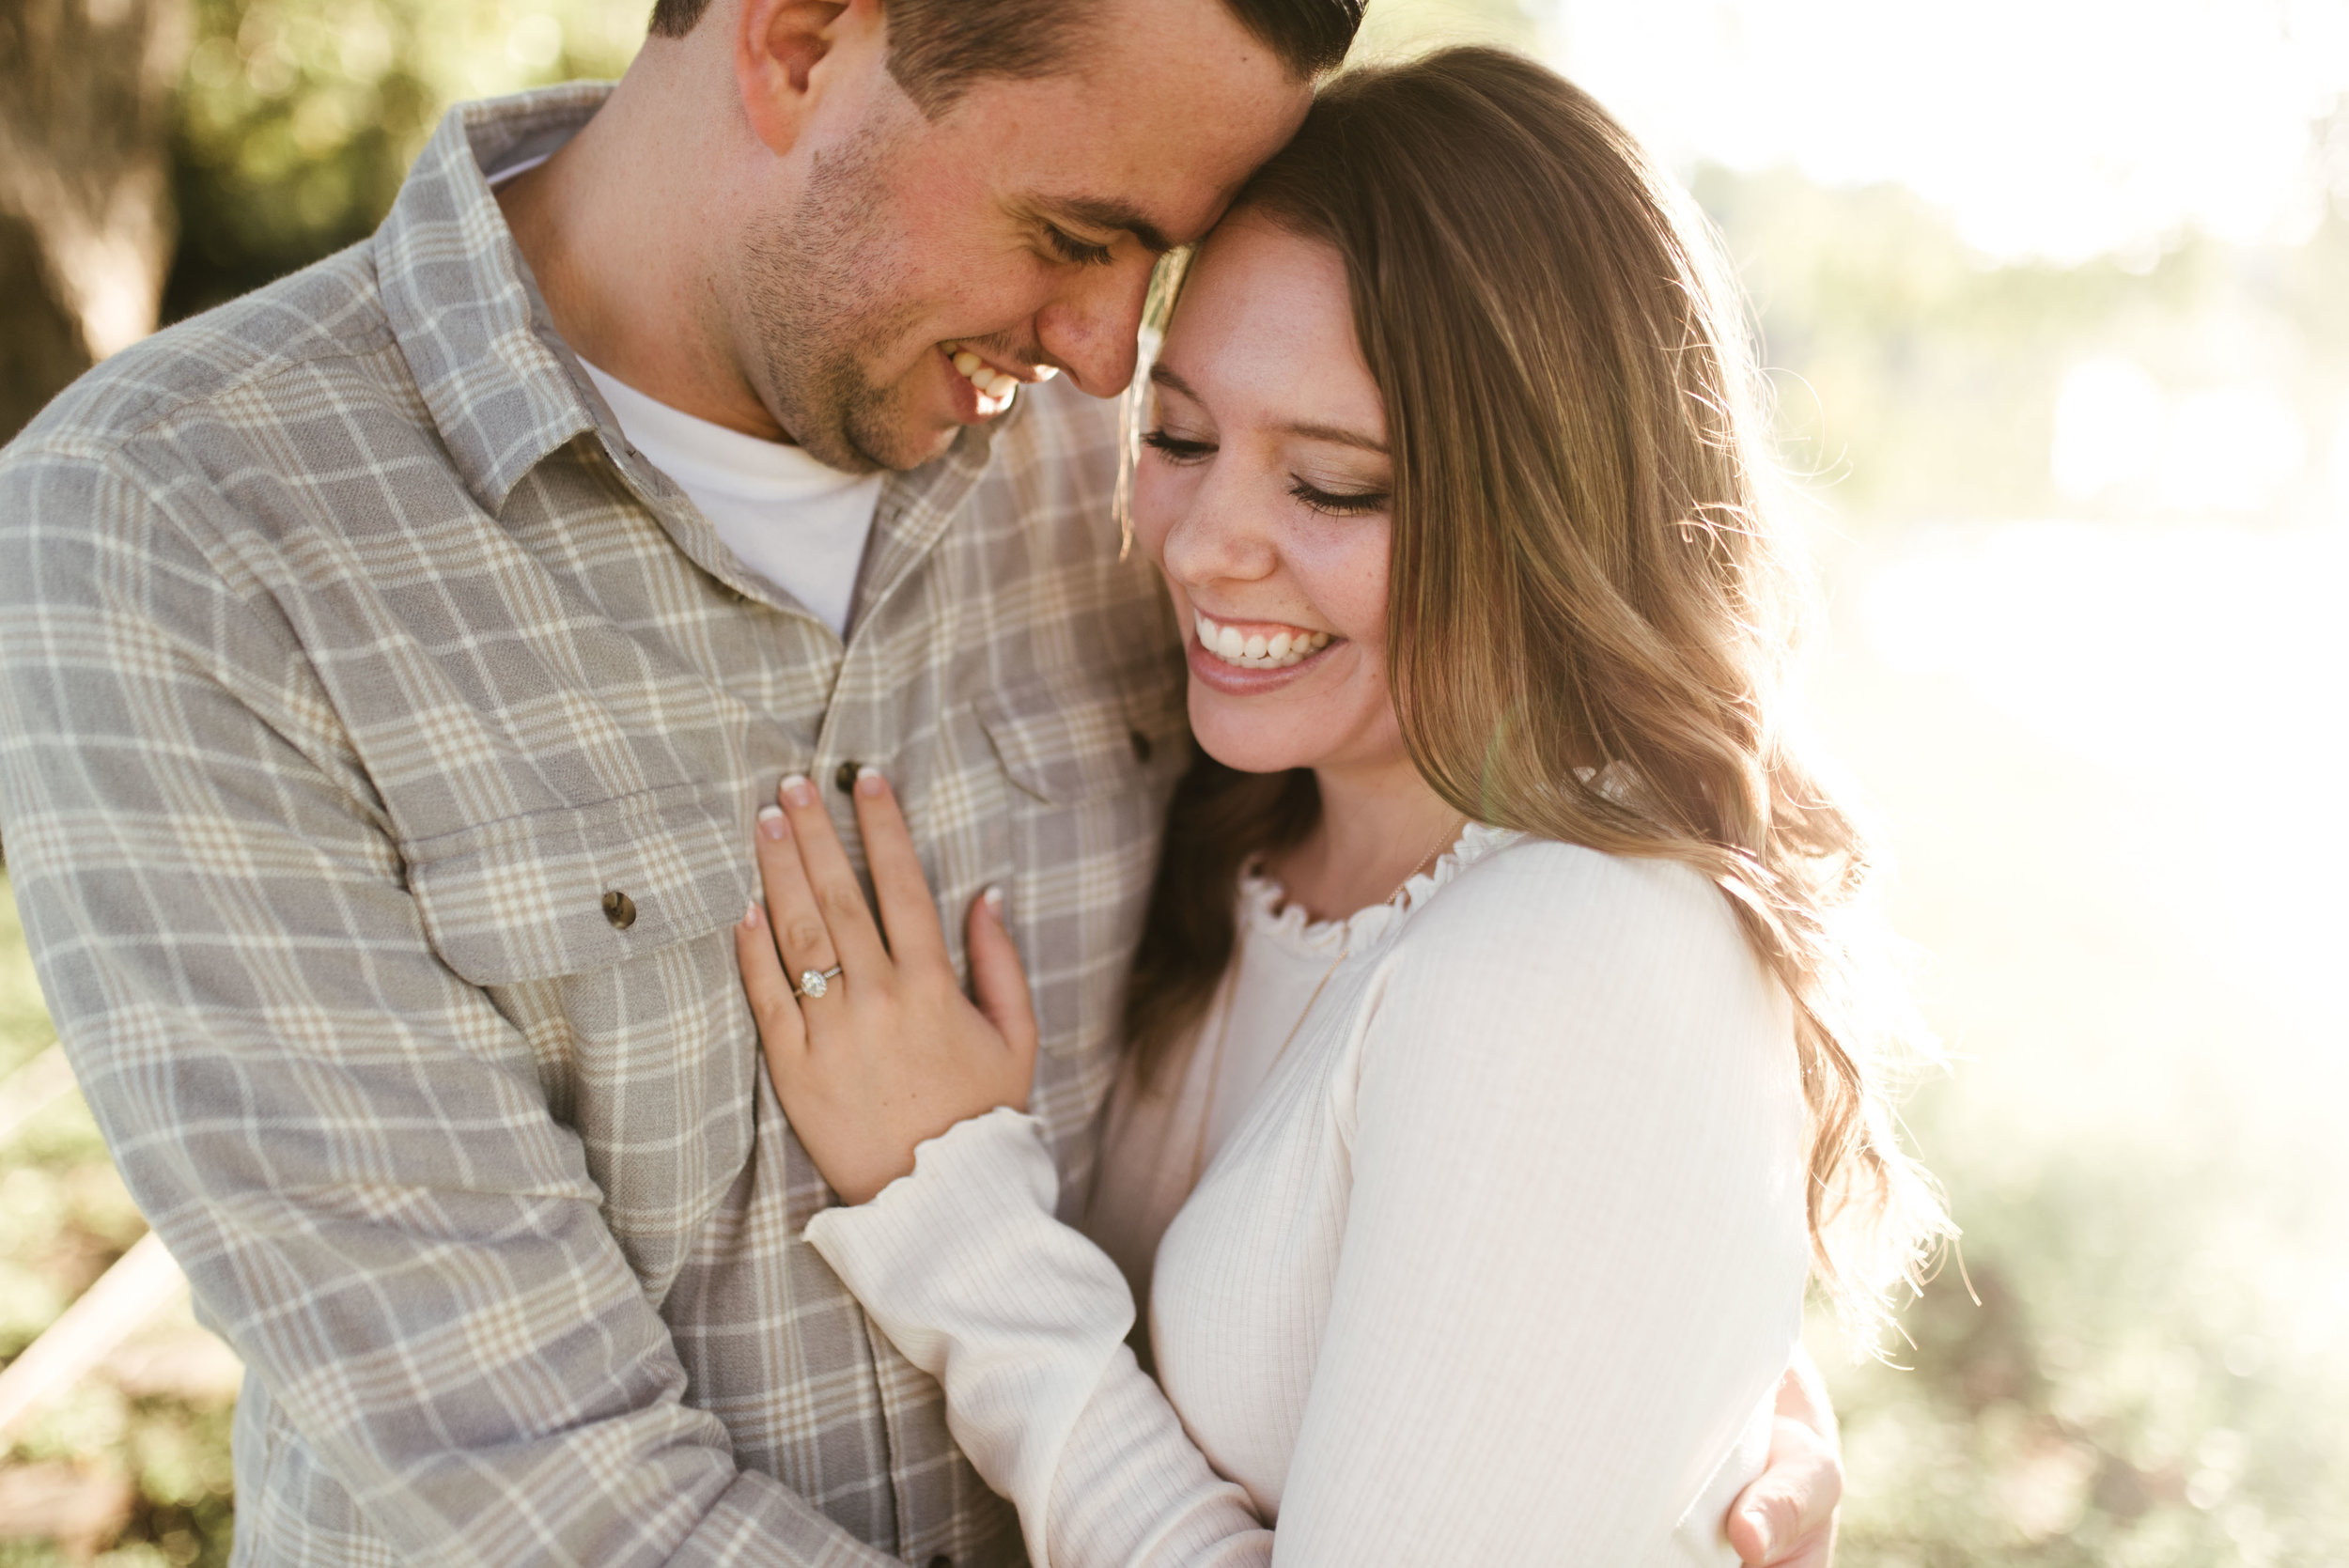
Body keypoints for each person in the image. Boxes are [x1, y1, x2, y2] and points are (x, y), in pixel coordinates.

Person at [0, 1, 1840, 1561]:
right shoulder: (184, 536)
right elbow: (535, 1486)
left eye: (1159, 260)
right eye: (1073, 230)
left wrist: (1616, 1359)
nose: (1112, 362)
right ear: (801, 39)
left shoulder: (1123, 449)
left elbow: (1478, 1039)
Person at [737, 47, 1947, 1566]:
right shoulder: (1235, 833)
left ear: (1555, 508)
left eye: (1333, 485)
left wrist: (960, 1233)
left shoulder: (1582, 951)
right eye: (1177, 439)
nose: (1204, 546)